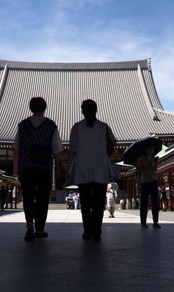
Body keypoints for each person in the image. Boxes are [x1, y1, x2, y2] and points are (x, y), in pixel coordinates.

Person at [67, 99, 117, 243]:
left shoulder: (77, 128)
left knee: (85, 202)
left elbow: (72, 151)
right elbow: (114, 143)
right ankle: (97, 232)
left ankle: (87, 230)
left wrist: (68, 170)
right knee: (98, 202)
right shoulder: (104, 127)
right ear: (96, 110)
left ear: (82, 112)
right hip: (100, 168)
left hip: (82, 168)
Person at [14, 96, 63, 242]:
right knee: (42, 198)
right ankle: (40, 228)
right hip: (44, 168)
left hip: (27, 167)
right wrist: (59, 168)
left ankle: (29, 223)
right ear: (45, 108)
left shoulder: (22, 125)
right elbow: (56, 150)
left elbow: (16, 147)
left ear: (30, 108)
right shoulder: (50, 125)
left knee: (28, 197)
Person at [136, 145, 161, 228]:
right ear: (146, 149)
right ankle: (143, 222)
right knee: (144, 202)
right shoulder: (141, 159)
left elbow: (155, 169)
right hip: (145, 180)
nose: (151, 150)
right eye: (150, 148)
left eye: (152, 149)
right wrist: (146, 165)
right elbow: (138, 169)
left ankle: (155, 221)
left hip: (154, 179)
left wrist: (155, 162)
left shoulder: (153, 158)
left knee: (155, 202)